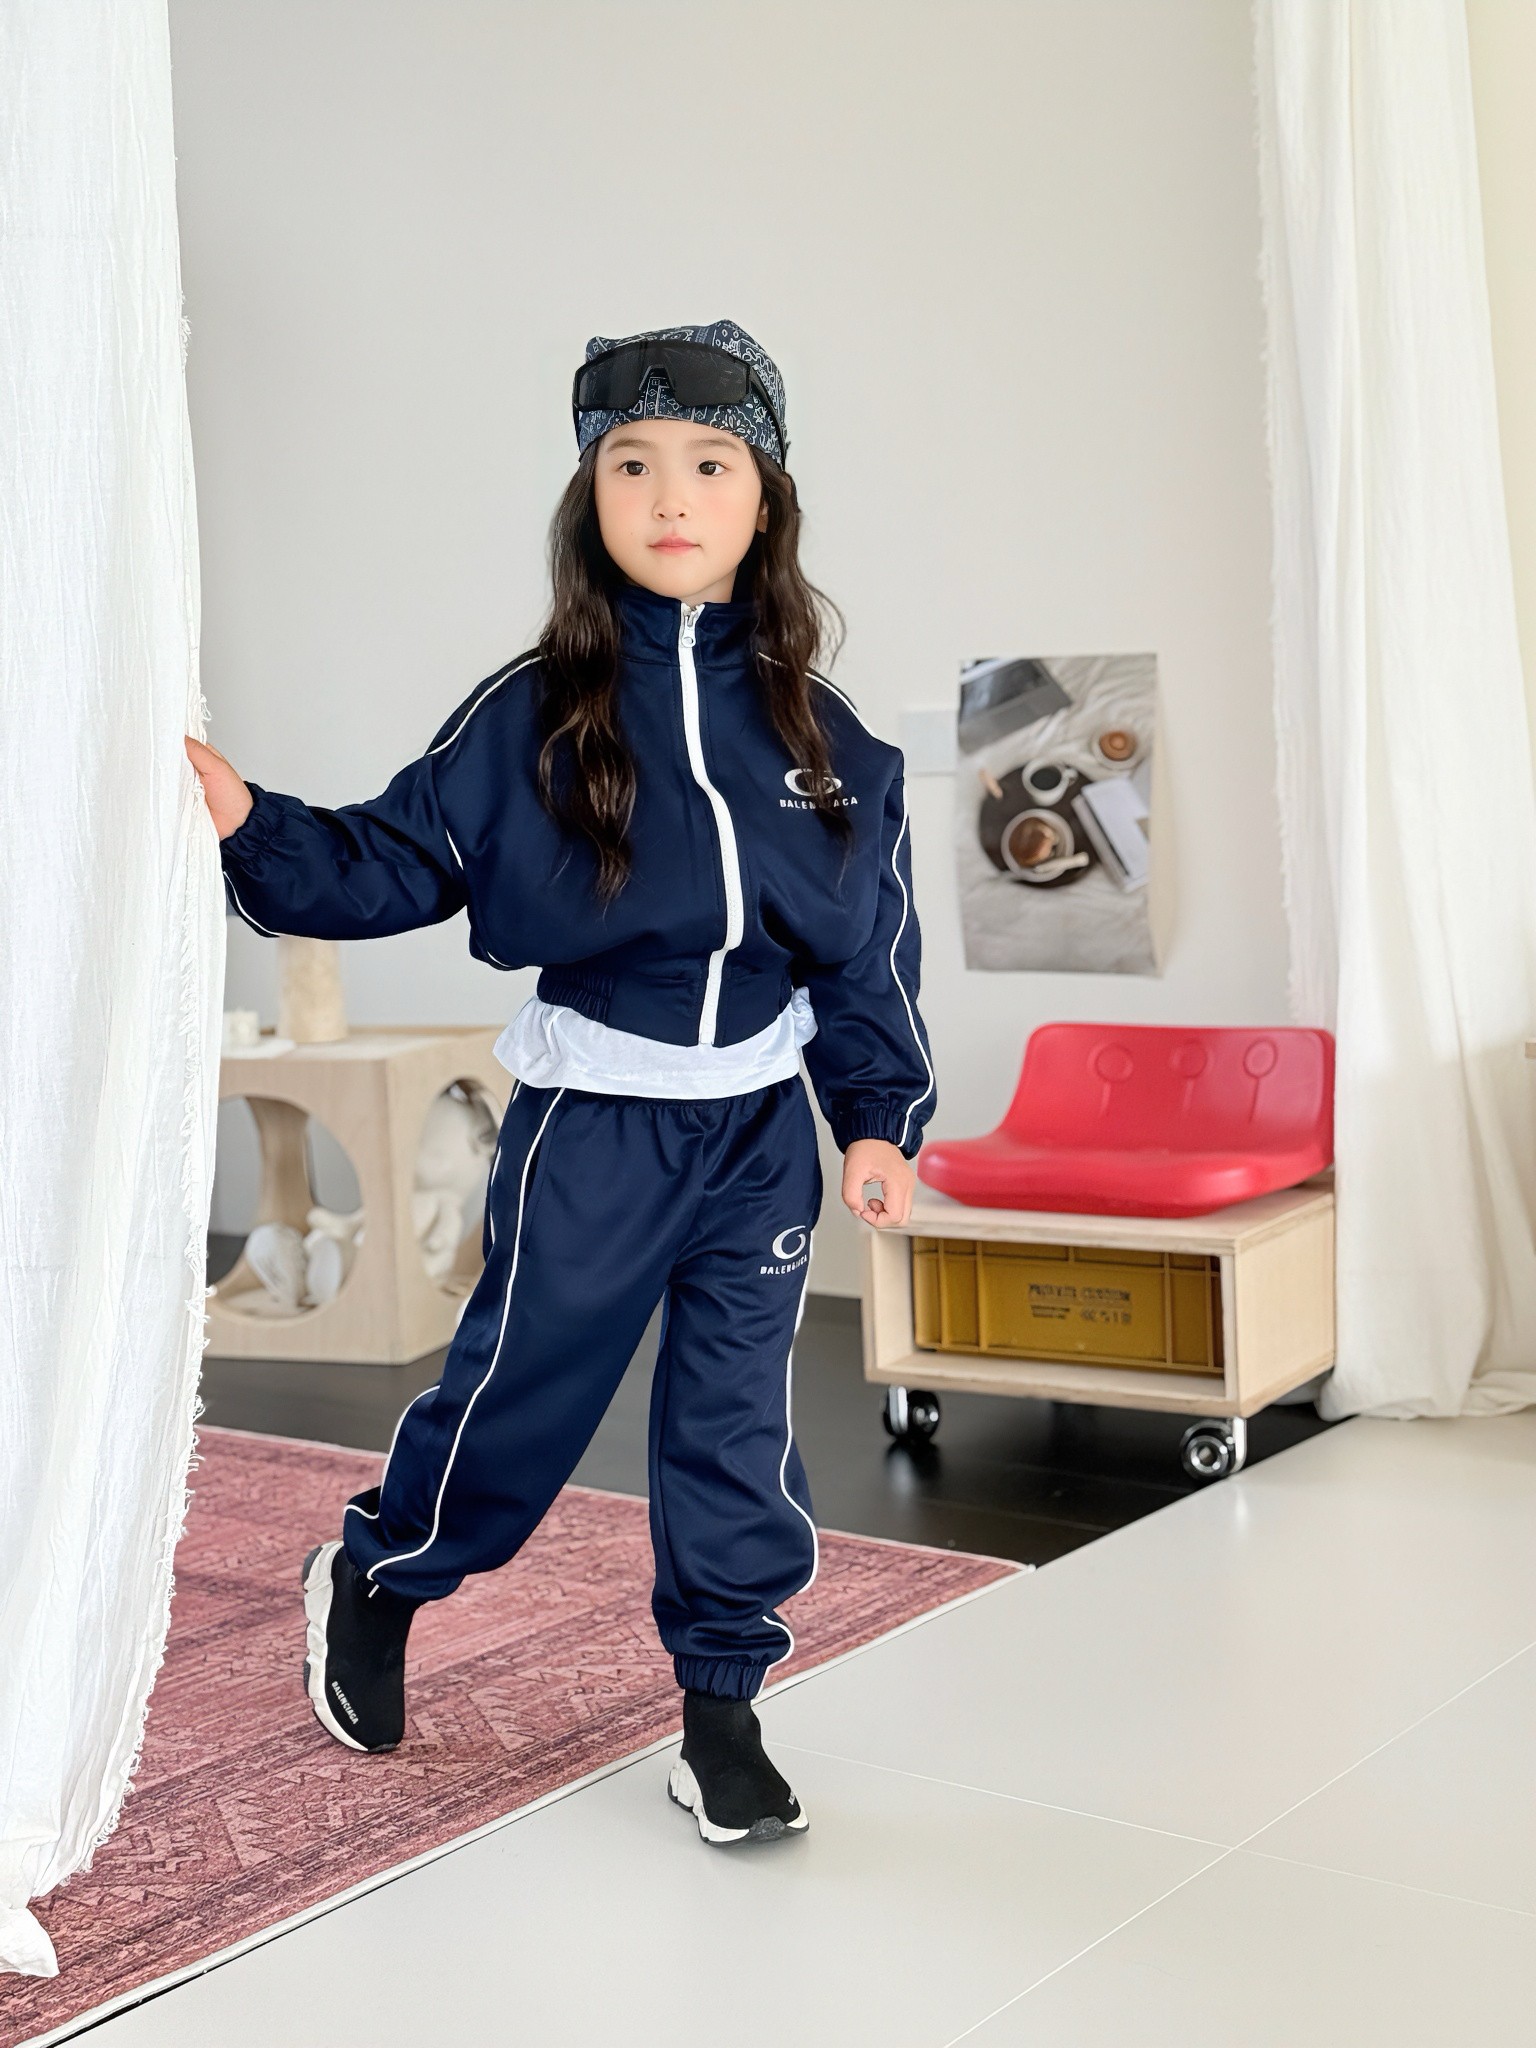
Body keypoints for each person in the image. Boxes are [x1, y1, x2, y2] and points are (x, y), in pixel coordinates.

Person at [186, 320, 936, 1846]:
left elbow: (868, 954)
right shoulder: (532, 715)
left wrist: (876, 1121)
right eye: (632, 464)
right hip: (595, 1123)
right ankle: (381, 1574)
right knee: (522, 1403)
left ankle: (722, 1712)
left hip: (758, 1136)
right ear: (592, 496)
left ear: (765, 499)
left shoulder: (833, 743)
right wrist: (251, 821)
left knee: (736, 1426)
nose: (672, 495)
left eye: (711, 465)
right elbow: (392, 860)